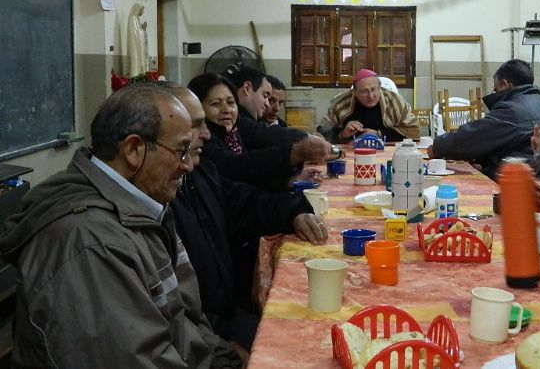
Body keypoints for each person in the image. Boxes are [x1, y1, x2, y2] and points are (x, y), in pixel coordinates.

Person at [0, 84, 241, 368]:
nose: (188, 166)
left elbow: (184, 320)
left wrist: (225, 359)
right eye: (181, 151)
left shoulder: (144, 208)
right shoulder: (90, 243)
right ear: (134, 149)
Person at [163, 83, 326, 357]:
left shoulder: (195, 175)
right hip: (206, 334)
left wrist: (293, 211)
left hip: (223, 315)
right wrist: (221, 350)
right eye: (194, 126)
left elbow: (243, 202)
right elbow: (165, 314)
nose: (205, 135)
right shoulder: (149, 202)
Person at [188, 73, 324, 190]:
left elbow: (249, 181)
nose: (227, 110)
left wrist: (290, 181)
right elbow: (235, 167)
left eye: (231, 103)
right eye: (215, 104)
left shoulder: (232, 136)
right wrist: (293, 153)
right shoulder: (201, 143)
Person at [428, 59, 540, 179]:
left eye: (496, 90)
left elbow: (472, 137)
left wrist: (437, 147)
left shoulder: (514, 110)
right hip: (528, 174)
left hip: (516, 182)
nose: (495, 93)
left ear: (505, 84)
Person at [317, 68, 419, 143]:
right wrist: (343, 133)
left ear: (379, 88)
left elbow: (414, 131)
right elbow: (320, 132)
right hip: (352, 152)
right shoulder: (341, 104)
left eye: (374, 89)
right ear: (355, 93)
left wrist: (378, 134)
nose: (371, 96)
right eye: (364, 91)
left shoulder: (394, 101)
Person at [126, 3, 148, 78]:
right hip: (135, 46)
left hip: (138, 45)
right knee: (135, 63)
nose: (142, 12)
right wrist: (142, 30)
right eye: (142, 10)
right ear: (137, 9)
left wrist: (143, 28)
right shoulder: (132, 18)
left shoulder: (137, 19)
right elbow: (135, 33)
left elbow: (138, 31)